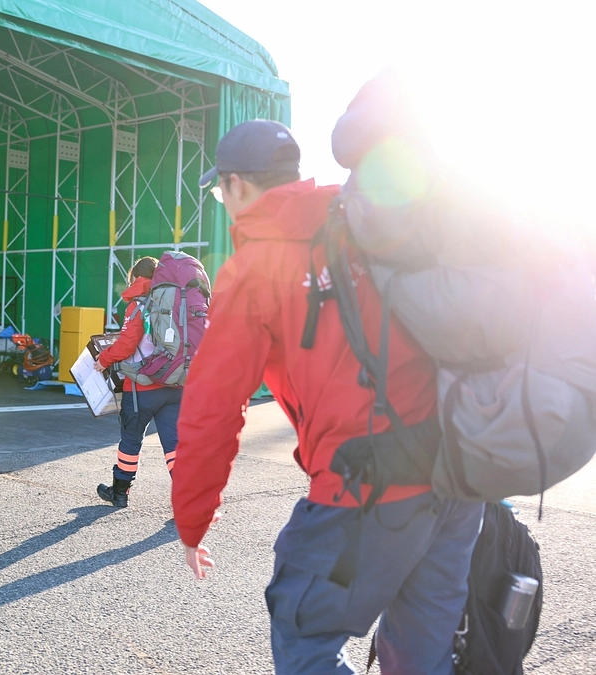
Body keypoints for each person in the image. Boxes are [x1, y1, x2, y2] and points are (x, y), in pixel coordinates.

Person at [170, 120, 484, 674]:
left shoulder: (256, 268)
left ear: (238, 185)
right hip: (457, 474)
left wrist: (193, 520)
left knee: (302, 632)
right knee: (421, 655)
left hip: (369, 481)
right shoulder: (366, 221)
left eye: (221, 192)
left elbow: (212, 407)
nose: (224, 202)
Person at [93, 256, 181, 507]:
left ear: (136, 278)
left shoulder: (139, 304)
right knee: (174, 445)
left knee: (131, 439)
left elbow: (127, 344)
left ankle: (120, 493)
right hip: (175, 384)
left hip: (142, 386)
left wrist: (104, 360)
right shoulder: (176, 302)